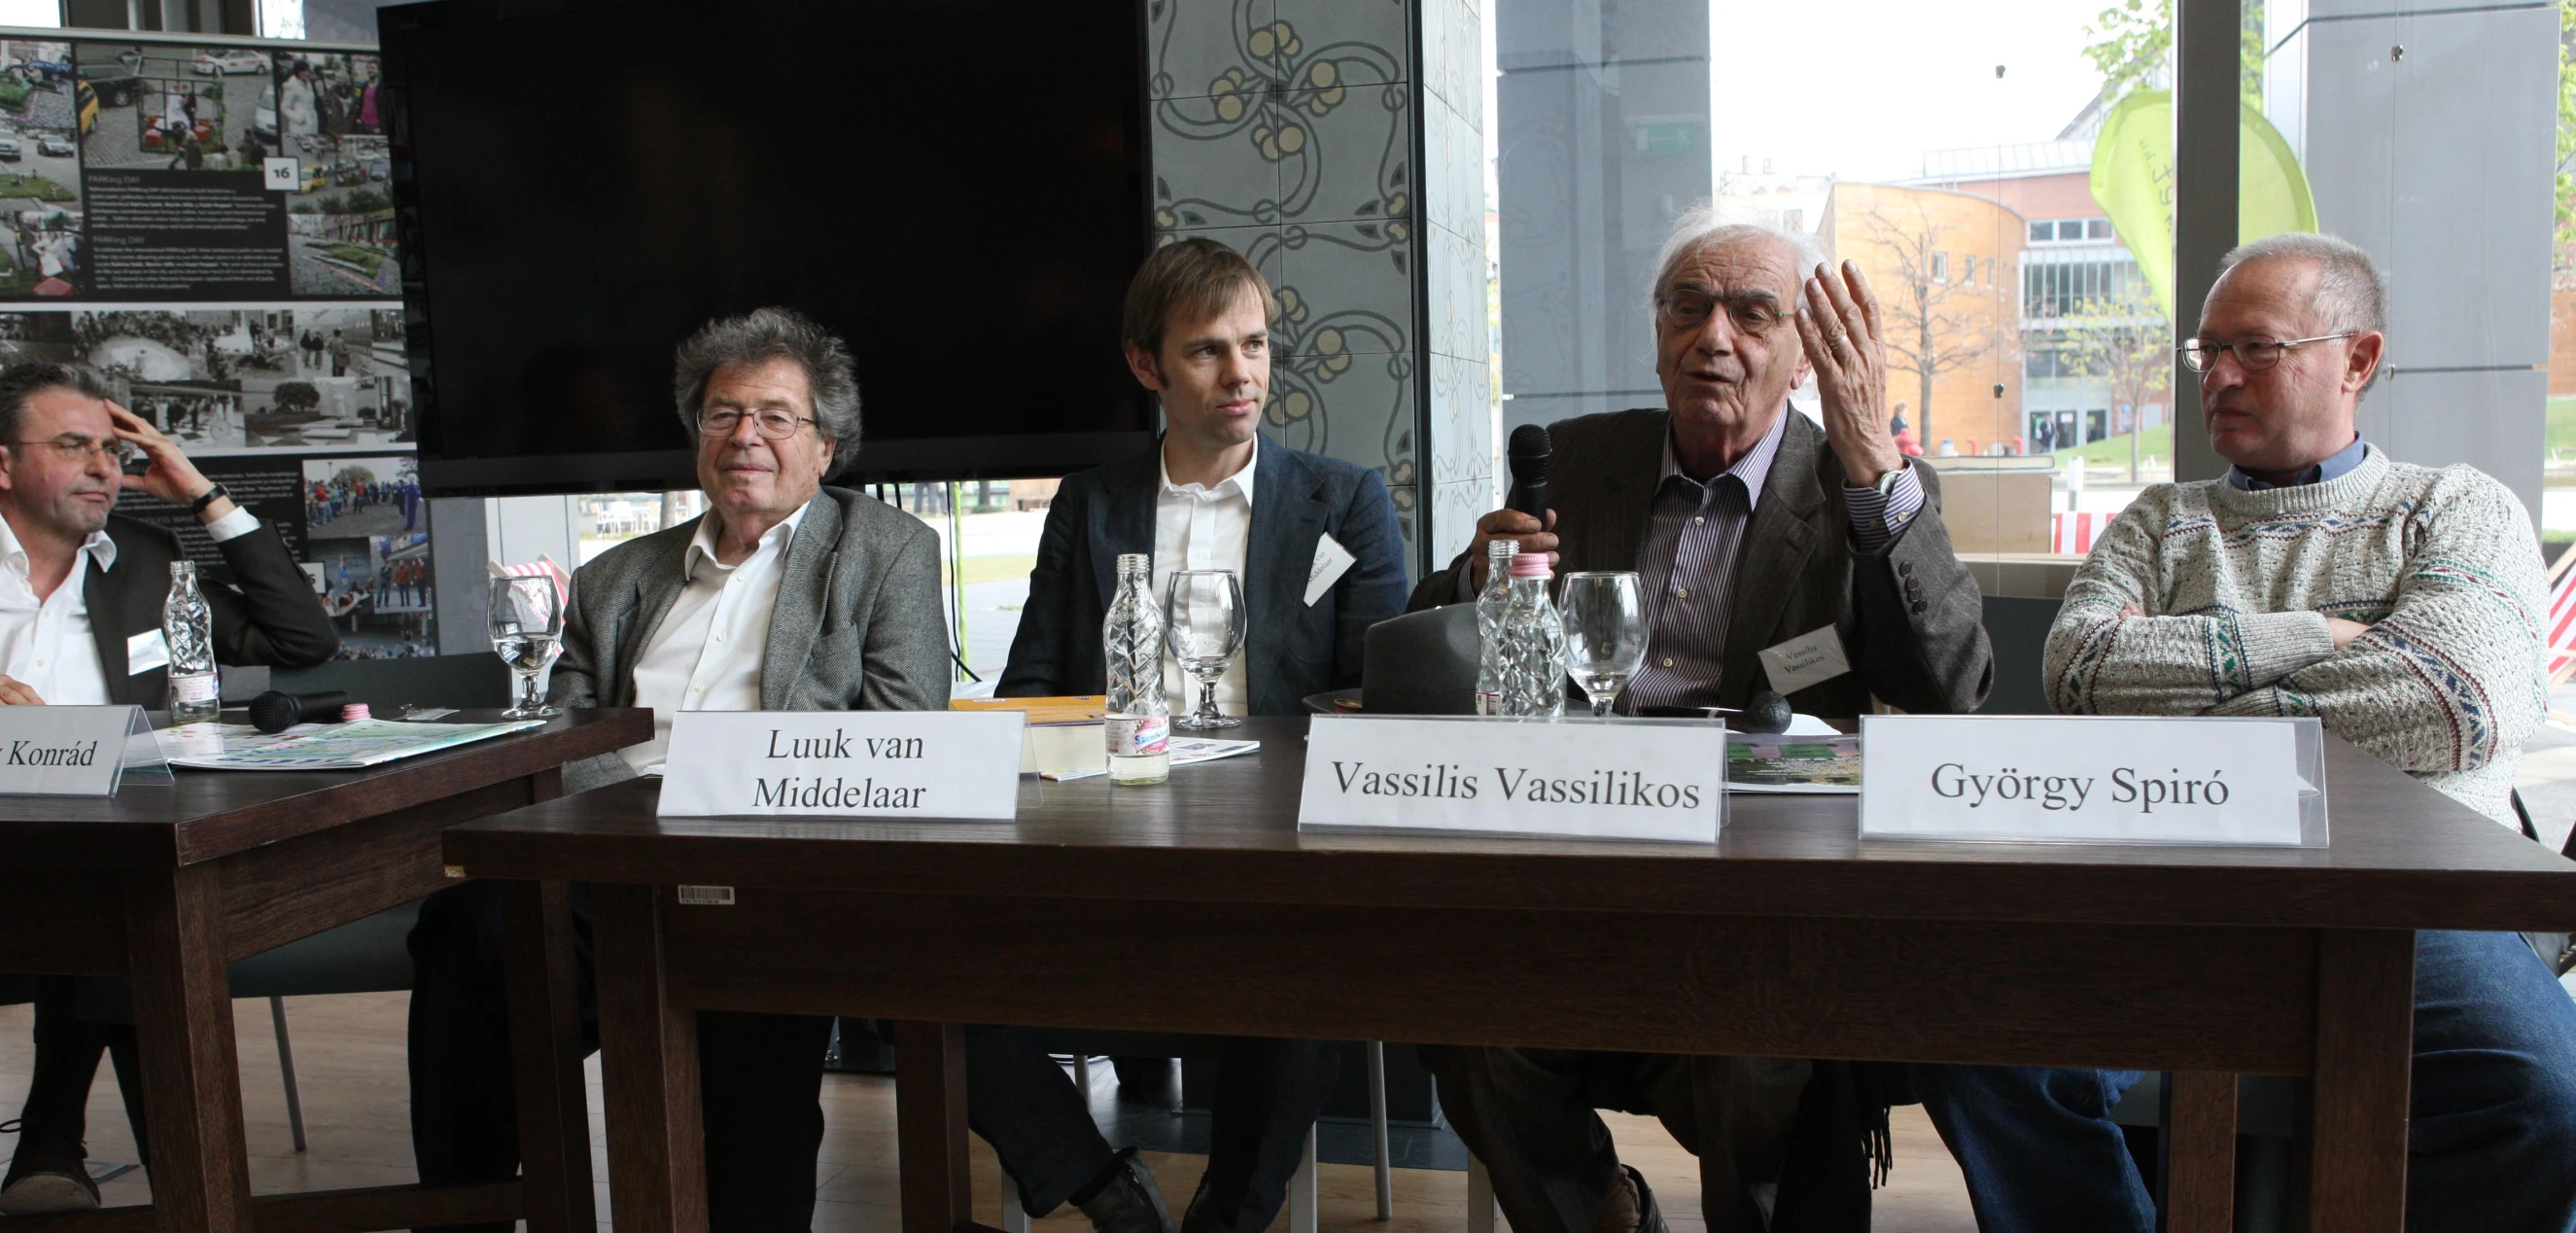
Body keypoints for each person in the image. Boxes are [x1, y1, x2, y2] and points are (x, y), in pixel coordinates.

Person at [1919, 233, 2576, 1233]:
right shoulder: (2157, 523)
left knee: (2545, 1103)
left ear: (2357, 358)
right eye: (2205, 351)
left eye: (2255, 349)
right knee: (1982, 1046)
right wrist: (2315, 635)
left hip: (2413, 903)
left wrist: (2186, 702)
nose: (2217, 375)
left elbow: (2450, 701)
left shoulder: (2455, 507)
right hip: (2169, 894)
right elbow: (2080, 673)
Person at [1407, 207, 1994, 1233]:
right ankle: (1595, 1206)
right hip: (1586, 862)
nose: (1713, 336)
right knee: (1469, 1019)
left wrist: (1872, 471)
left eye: (1752, 313)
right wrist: (1478, 575)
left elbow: (1952, 683)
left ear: (1805, 351)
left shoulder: (1851, 481)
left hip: (1761, 894)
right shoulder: (1582, 462)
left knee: (1756, 1055)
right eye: (1689, 306)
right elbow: (1440, 647)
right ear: (1657, 329)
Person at [403, 306, 951, 1233]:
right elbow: (561, 745)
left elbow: (901, 732)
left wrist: (725, 801)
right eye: (723, 414)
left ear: (827, 447)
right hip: (612, 867)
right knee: (468, 929)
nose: (746, 436)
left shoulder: (885, 552)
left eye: (778, 416)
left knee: (751, 1033)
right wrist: (626, 830)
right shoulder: (617, 579)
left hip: (773, 862)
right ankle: (467, 1214)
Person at [0, 361, 335, 1214]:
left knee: (123, 889)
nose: (104, 467)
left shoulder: (147, 562)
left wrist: (199, 491)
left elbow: (303, 638)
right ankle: (190, 1189)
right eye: (73, 446)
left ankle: (59, 1138)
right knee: (130, 903)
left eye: (113, 450)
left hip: (115, 845)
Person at [987, 238, 1410, 1233]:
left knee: (1314, 956)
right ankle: (1101, 1187)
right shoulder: (1091, 505)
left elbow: (1375, 695)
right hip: (1108, 835)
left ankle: (1226, 1215)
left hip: (1279, 850)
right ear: (1147, 366)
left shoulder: (1343, 501)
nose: (1242, 374)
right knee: (922, 966)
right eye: (1208, 351)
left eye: (1255, 345)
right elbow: (1033, 685)